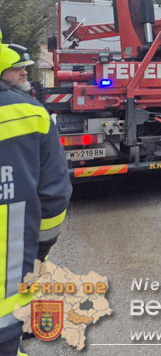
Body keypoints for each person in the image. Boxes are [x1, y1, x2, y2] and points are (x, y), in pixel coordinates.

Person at [0, 32, 72, 356]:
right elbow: (55, 192)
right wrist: (40, 249)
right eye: (19, 69)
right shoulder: (29, 114)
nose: (25, 74)